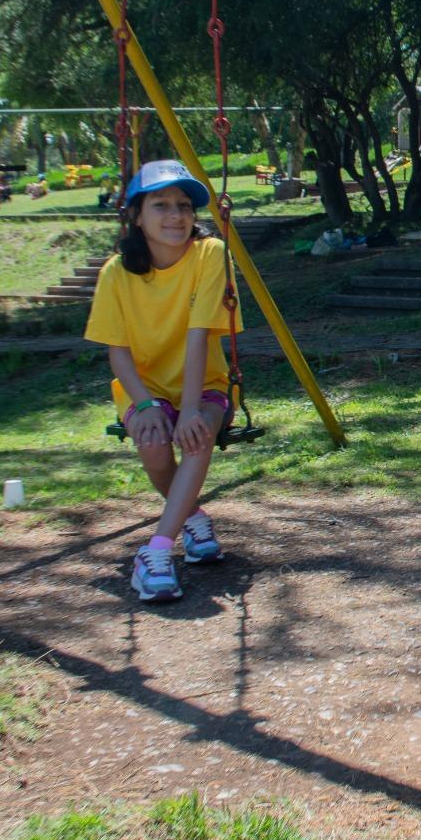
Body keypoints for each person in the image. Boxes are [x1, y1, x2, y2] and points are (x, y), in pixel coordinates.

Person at [84, 160, 240, 603]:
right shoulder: (116, 272)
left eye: (184, 206)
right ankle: (192, 518)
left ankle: (155, 550)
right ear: (137, 215)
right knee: (152, 442)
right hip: (144, 387)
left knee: (197, 435)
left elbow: (197, 333)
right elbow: (118, 349)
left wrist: (190, 408)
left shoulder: (209, 255)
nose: (176, 215)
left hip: (203, 383)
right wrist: (147, 404)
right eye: (161, 205)